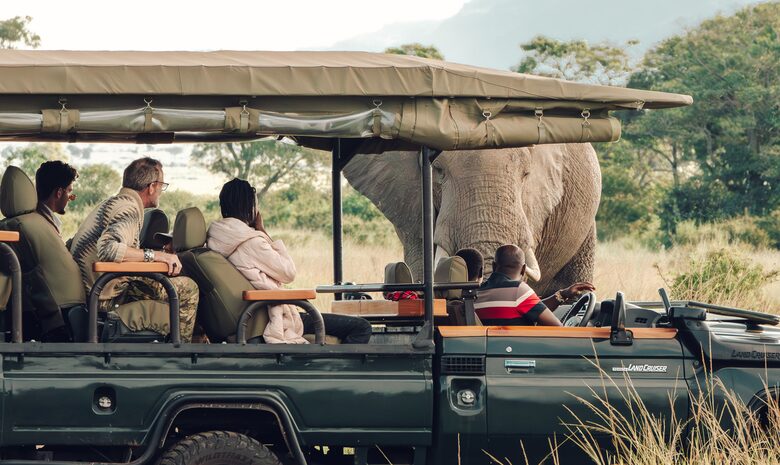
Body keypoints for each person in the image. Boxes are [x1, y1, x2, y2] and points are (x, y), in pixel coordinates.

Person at [206, 178, 372, 344]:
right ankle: (334, 369)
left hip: (259, 315)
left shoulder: (217, 240)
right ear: (249, 207)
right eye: (255, 205)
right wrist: (263, 232)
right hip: (271, 318)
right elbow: (288, 273)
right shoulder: (251, 242)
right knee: (361, 327)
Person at [69, 157, 199, 342]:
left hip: (95, 289)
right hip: (106, 295)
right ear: (152, 186)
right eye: (162, 185)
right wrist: (156, 255)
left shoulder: (113, 203)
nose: (161, 190)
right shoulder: (129, 209)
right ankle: (182, 353)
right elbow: (109, 248)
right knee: (189, 288)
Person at [476, 244, 595, 326]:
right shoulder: (519, 290)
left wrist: (563, 294)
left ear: (493, 266)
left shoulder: (478, 292)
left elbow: (534, 307)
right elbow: (557, 327)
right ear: (523, 269)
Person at [35, 160, 78, 237]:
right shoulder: (46, 228)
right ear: (59, 192)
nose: (71, 198)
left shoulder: (34, 219)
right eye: (69, 191)